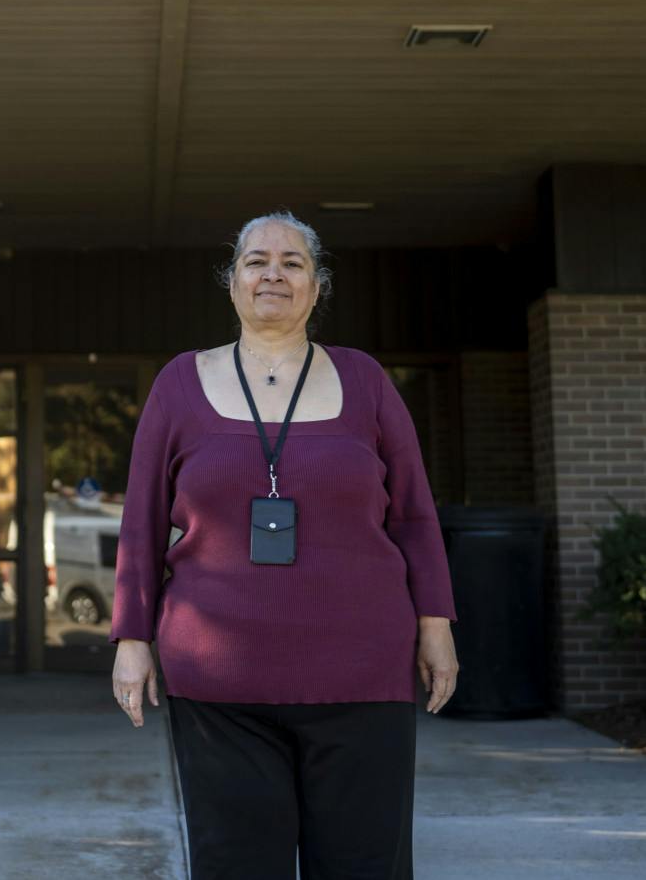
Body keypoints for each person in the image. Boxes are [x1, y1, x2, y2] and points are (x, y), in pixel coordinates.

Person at [108, 210, 460, 880]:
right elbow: (142, 520)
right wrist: (132, 637)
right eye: (256, 260)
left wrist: (436, 623)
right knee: (236, 863)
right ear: (231, 281)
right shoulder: (180, 383)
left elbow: (414, 512)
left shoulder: (365, 381)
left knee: (364, 863)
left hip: (362, 673)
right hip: (218, 682)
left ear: (317, 285)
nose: (274, 272)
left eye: (292, 261)